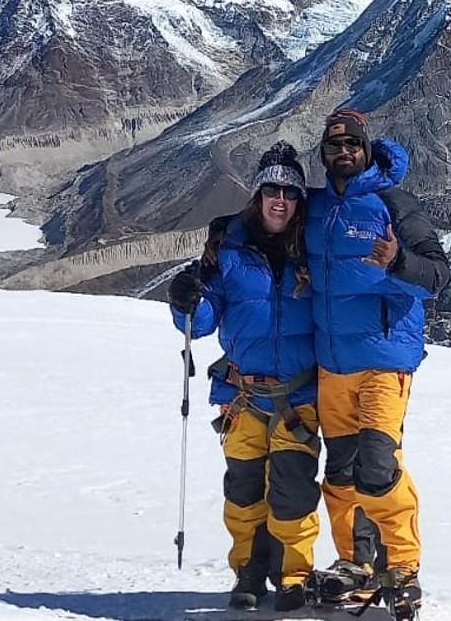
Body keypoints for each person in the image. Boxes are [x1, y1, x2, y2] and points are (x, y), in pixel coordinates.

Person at [302, 108, 451, 618]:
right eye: (333, 146)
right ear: (323, 154)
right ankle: (356, 564)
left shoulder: (395, 203)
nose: (342, 153)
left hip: (385, 361)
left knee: (378, 465)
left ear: (367, 149)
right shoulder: (316, 208)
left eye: (351, 145)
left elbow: (438, 275)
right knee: (341, 472)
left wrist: (398, 262)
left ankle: (403, 565)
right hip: (332, 363)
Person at [169, 142, 321, 611]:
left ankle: (293, 575)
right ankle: (250, 571)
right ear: (257, 194)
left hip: (299, 395)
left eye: (290, 192)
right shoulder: (228, 247)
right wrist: (186, 301)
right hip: (242, 394)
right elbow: (205, 317)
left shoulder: (315, 250)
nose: (280, 200)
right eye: (272, 189)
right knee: (244, 489)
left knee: (293, 491)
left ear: (299, 200)